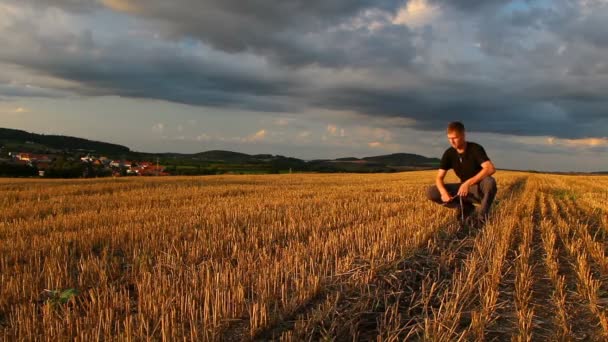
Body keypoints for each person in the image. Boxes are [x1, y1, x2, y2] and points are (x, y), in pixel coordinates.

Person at [426, 121, 497, 226]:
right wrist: (443, 192)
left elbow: (490, 168)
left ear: (463, 135)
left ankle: (480, 219)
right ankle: (465, 206)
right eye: (449, 138)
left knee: (490, 182)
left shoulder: (475, 149)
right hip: (462, 192)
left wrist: (468, 183)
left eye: (455, 138)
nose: (452, 141)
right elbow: (439, 178)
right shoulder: (449, 153)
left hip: (478, 189)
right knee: (431, 192)